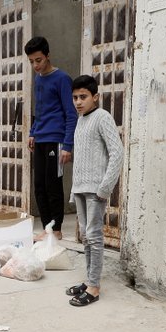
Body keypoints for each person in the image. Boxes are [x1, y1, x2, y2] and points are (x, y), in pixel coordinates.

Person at [64, 74, 123, 307]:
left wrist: (105, 187)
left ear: (95, 97)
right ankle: (89, 280)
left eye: (83, 97)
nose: (78, 102)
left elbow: (117, 153)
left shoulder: (102, 117)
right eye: (75, 98)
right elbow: (81, 159)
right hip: (80, 188)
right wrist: (74, 189)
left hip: (96, 190)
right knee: (86, 237)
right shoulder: (81, 120)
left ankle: (94, 287)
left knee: (95, 237)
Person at [24, 36, 78, 240]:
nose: (35, 65)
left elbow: (71, 114)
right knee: (39, 186)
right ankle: (47, 228)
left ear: (48, 55)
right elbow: (40, 110)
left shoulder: (62, 79)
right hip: (40, 138)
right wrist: (32, 132)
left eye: (38, 60)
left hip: (56, 140)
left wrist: (68, 145)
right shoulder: (38, 79)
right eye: (31, 62)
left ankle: (56, 230)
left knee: (52, 185)